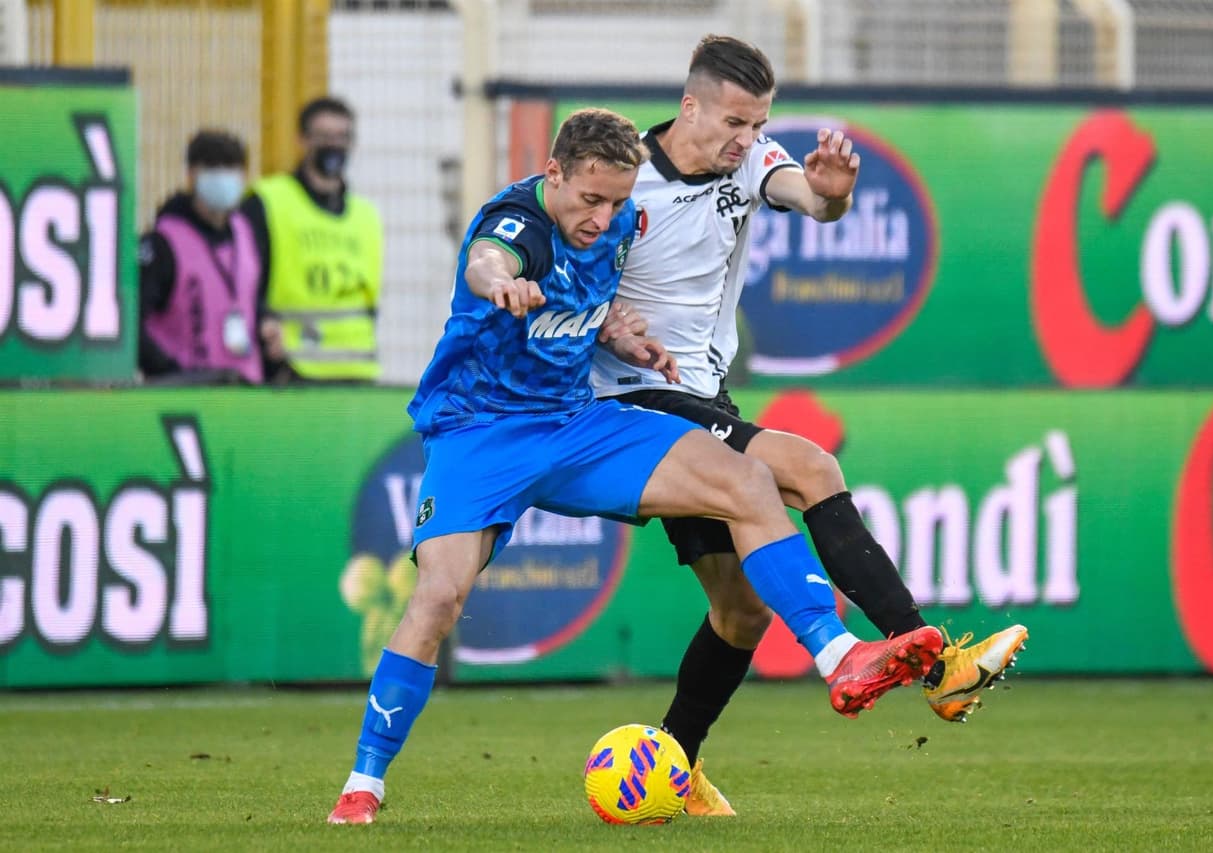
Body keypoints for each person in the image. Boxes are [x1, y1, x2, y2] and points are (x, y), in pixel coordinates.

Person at [325, 108, 943, 825]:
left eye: (617, 200)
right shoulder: (518, 225)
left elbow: (588, 301)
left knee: (745, 477)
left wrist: (618, 333)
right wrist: (500, 283)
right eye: (590, 198)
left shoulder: (616, 221)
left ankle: (838, 655)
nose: (603, 217)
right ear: (554, 173)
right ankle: (364, 781)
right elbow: (487, 259)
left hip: (574, 423)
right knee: (437, 598)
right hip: (479, 433)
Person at [589, 35, 1029, 816]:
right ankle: (941, 670)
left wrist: (833, 195)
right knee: (810, 466)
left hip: (703, 398)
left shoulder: (751, 162)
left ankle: (675, 764)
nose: (747, 138)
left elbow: (810, 197)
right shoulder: (625, 183)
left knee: (741, 610)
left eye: (759, 123)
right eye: (734, 121)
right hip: (633, 401)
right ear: (688, 107)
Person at [241, 96, 383, 383]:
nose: (334, 145)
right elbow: (245, 282)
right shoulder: (268, 202)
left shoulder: (366, 216)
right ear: (302, 140)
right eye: (324, 136)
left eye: (342, 137)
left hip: (357, 373)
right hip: (291, 372)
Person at [138, 129, 263, 385]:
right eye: (213, 168)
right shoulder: (164, 242)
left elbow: (252, 299)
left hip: (245, 386)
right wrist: (167, 371)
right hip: (188, 388)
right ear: (191, 174)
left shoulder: (245, 231)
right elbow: (132, 323)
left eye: (231, 168)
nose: (223, 177)